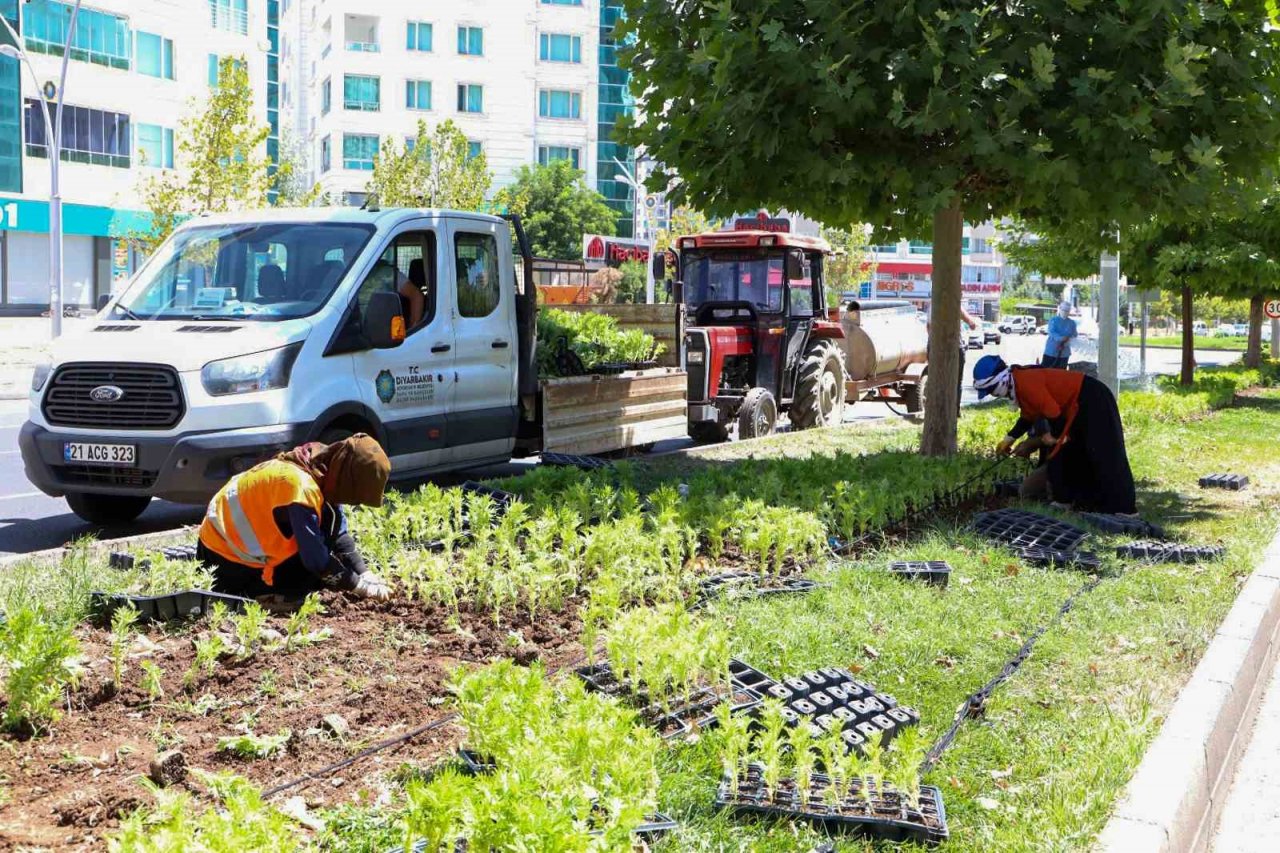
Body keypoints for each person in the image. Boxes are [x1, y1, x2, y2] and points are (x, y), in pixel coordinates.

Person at [197, 434, 393, 600]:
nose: (353, 502)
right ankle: (263, 595)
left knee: (324, 555)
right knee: (306, 582)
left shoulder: (325, 467)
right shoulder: (299, 487)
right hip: (224, 558)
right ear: (348, 479)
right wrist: (361, 587)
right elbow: (315, 560)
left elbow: (338, 533)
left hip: (237, 545)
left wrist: (365, 572)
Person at [972, 355, 1136, 514]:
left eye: (991, 391)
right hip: (1075, 406)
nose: (992, 395)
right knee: (1070, 453)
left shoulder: (1026, 383)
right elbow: (1028, 416)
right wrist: (1009, 439)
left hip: (1092, 398)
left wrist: (1053, 436)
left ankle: (1124, 508)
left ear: (1000, 382)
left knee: (1104, 453)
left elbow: (1054, 413)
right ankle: (1074, 501)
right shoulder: (1018, 381)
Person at [1042, 301, 1077, 369]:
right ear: (1060, 309)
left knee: (1061, 373)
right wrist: (1061, 338)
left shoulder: (1072, 323)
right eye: (1063, 310)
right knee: (1047, 371)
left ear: (1069, 311)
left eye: (1067, 310)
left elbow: (1074, 334)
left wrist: (1068, 339)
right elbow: (1051, 332)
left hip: (1064, 352)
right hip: (1051, 351)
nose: (1065, 312)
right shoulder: (1053, 320)